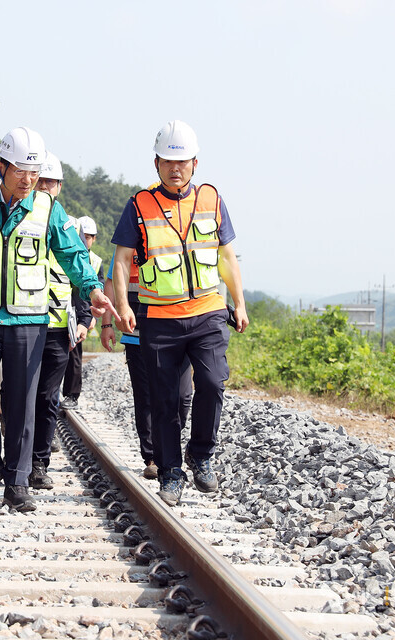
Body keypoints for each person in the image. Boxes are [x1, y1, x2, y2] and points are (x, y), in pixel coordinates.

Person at [0, 127, 118, 512]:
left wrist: (92, 289)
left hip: (28, 320)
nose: (28, 179)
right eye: (21, 170)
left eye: (34, 172)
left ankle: (18, 482)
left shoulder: (47, 208)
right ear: (1, 166)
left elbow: (72, 254)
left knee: (22, 402)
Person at [111, 120, 248, 506]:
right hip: (160, 317)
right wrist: (123, 305)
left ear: (195, 163)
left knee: (213, 382)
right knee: (165, 400)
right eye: (168, 161)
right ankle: (171, 472)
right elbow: (122, 260)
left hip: (207, 312)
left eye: (183, 161)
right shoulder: (139, 204)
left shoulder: (211, 199)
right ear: (156, 163)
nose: (176, 168)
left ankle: (201, 455)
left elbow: (226, 257)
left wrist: (239, 302)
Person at [100, 247, 192, 480]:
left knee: (182, 397)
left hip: (175, 332)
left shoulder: (173, 238)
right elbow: (111, 282)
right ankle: (152, 456)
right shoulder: (127, 244)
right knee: (146, 397)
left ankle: (166, 443)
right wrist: (107, 323)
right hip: (136, 334)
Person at [29, 152, 91, 490]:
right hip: (22, 324)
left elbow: (79, 275)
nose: (46, 188)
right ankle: (16, 457)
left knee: (48, 397)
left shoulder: (69, 228)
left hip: (56, 328)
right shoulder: (25, 220)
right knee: (16, 393)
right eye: (42, 181)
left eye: (52, 182)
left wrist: (84, 318)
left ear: (60, 186)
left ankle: (39, 464)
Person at [60, 215, 102, 409]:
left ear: (93, 239)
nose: (84, 240)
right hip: (60, 308)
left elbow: (97, 290)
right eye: (81, 236)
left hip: (81, 312)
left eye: (88, 237)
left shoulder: (95, 261)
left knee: (74, 355)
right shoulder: (64, 251)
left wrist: (90, 317)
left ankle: (71, 395)